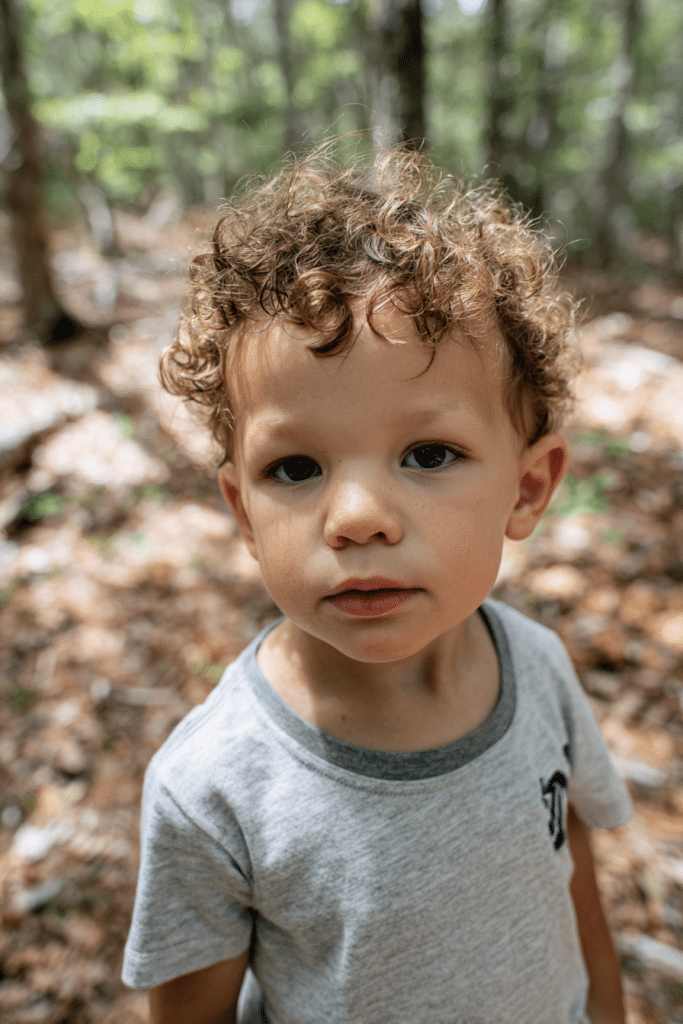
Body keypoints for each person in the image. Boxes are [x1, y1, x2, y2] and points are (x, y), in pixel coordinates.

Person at [122, 144, 631, 1024]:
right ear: (243, 511)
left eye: (428, 455)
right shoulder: (213, 789)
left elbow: (570, 874)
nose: (357, 516)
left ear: (528, 487)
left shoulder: (539, 672)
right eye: (295, 468)